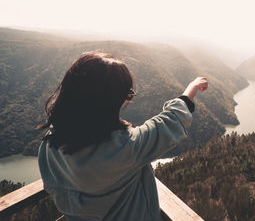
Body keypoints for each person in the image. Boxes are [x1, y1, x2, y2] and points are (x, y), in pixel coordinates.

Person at [37, 51, 208, 220]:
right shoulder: (125, 150)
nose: (127, 100)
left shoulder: (49, 145)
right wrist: (191, 88)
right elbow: (170, 122)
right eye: (127, 94)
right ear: (107, 102)